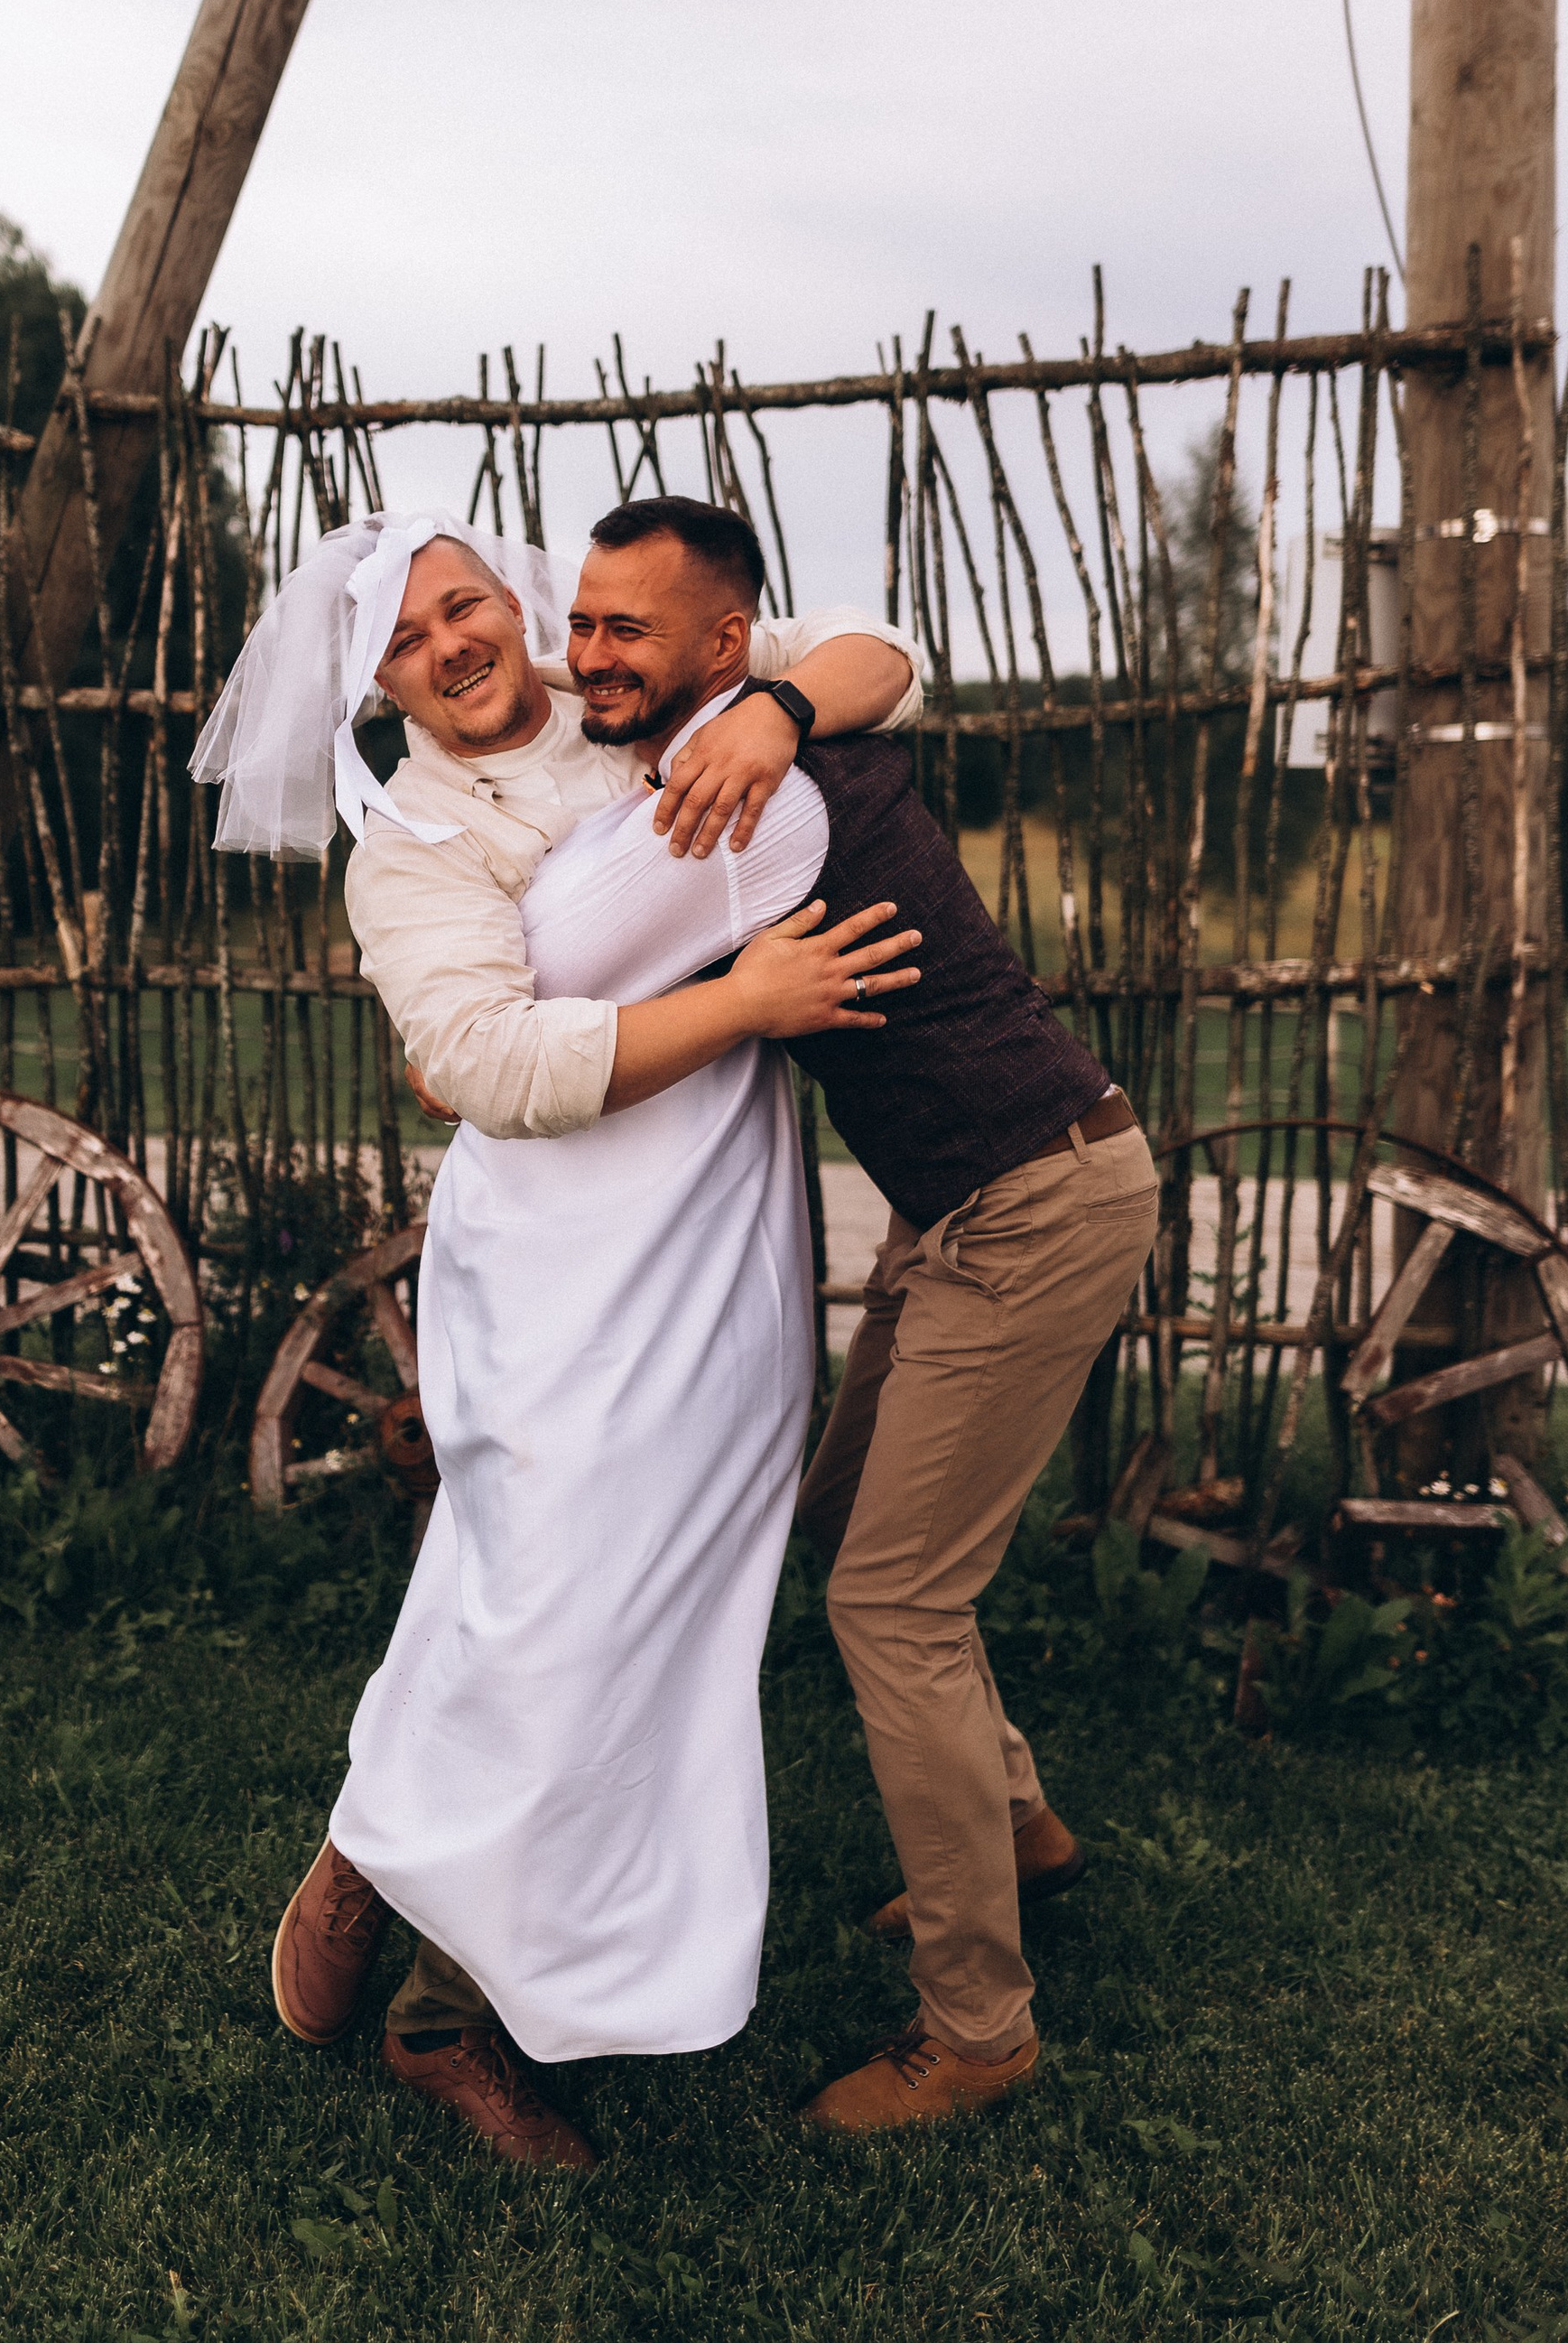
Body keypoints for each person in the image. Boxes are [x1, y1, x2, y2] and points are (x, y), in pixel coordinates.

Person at [191, 507, 922, 2163]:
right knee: (551, 1614)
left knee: (669, 1619)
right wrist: (744, 1004)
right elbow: (487, 1072)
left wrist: (778, 710)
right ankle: (459, 2016)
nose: (452, 644)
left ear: (514, 598)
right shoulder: (416, 847)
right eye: (405, 639)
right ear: (373, 686)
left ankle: (387, 1846)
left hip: (720, 1247)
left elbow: (893, 658)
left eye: (466, 602)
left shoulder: (640, 720)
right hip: (557, 1270)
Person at [529, 495, 1157, 2138]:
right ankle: (1013, 1827)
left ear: (724, 649)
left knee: (894, 1604)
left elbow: (560, 968)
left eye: (623, 633)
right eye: (581, 621)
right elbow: (875, 653)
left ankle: (980, 2029)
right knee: (849, 1533)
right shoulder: (749, 727)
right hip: (983, 1200)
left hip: (1031, 1204)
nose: (587, 654)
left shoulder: (747, 793)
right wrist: (786, 696)